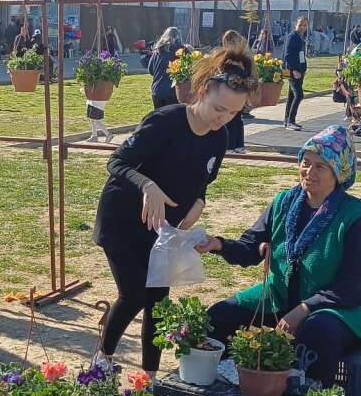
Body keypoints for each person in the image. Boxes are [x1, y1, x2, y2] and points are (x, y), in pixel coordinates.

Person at [93, 46, 256, 372]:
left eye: (234, 113)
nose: (223, 118)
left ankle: (149, 377)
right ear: (203, 90)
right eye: (220, 108)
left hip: (162, 230)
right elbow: (116, 162)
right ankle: (102, 360)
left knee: (158, 302)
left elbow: (203, 182)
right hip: (121, 220)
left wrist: (199, 203)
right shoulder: (165, 121)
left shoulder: (219, 136)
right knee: (135, 294)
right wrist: (147, 185)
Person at [195, 124, 361, 387]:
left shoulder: (356, 217)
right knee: (220, 315)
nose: (309, 172)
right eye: (305, 162)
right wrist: (218, 244)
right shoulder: (284, 202)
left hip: (339, 306)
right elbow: (251, 247)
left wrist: (304, 308)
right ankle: (230, 387)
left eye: (320, 166)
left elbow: (353, 286)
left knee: (315, 332)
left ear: (338, 173)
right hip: (282, 294)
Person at [220, 30, 253, 152]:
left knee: (229, 118)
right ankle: (239, 145)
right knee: (237, 118)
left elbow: (221, 71)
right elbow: (248, 72)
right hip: (241, 90)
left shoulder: (228, 57)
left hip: (230, 89)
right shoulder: (244, 56)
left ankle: (230, 145)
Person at [145, 26, 184, 109]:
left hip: (157, 91)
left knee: (159, 118)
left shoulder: (157, 50)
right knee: (171, 119)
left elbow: (151, 70)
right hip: (172, 92)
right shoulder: (180, 51)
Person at [283, 17, 309, 131]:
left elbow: (300, 54)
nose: (302, 27)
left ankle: (287, 120)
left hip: (300, 69)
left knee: (291, 96)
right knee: (299, 95)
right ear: (295, 25)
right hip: (295, 71)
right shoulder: (292, 37)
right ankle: (291, 121)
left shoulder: (299, 37)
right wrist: (294, 69)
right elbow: (288, 55)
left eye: (305, 25)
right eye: (300, 25)